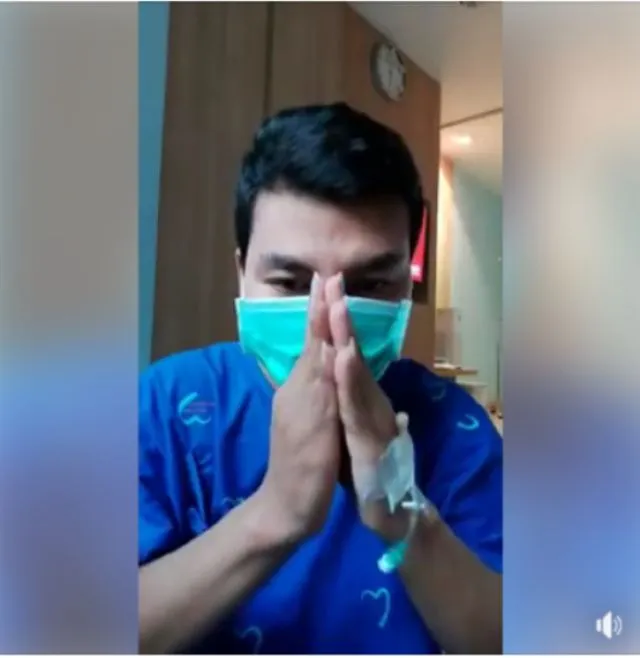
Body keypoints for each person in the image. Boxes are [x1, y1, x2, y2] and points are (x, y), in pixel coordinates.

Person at [138, 103, 502, 654]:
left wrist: (404, 514)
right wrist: (275, 514)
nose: (329, 318)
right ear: (241, 274)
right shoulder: (166, 407)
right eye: (289, 283)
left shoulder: (457, 428)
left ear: (407, 285)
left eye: (370, 285)